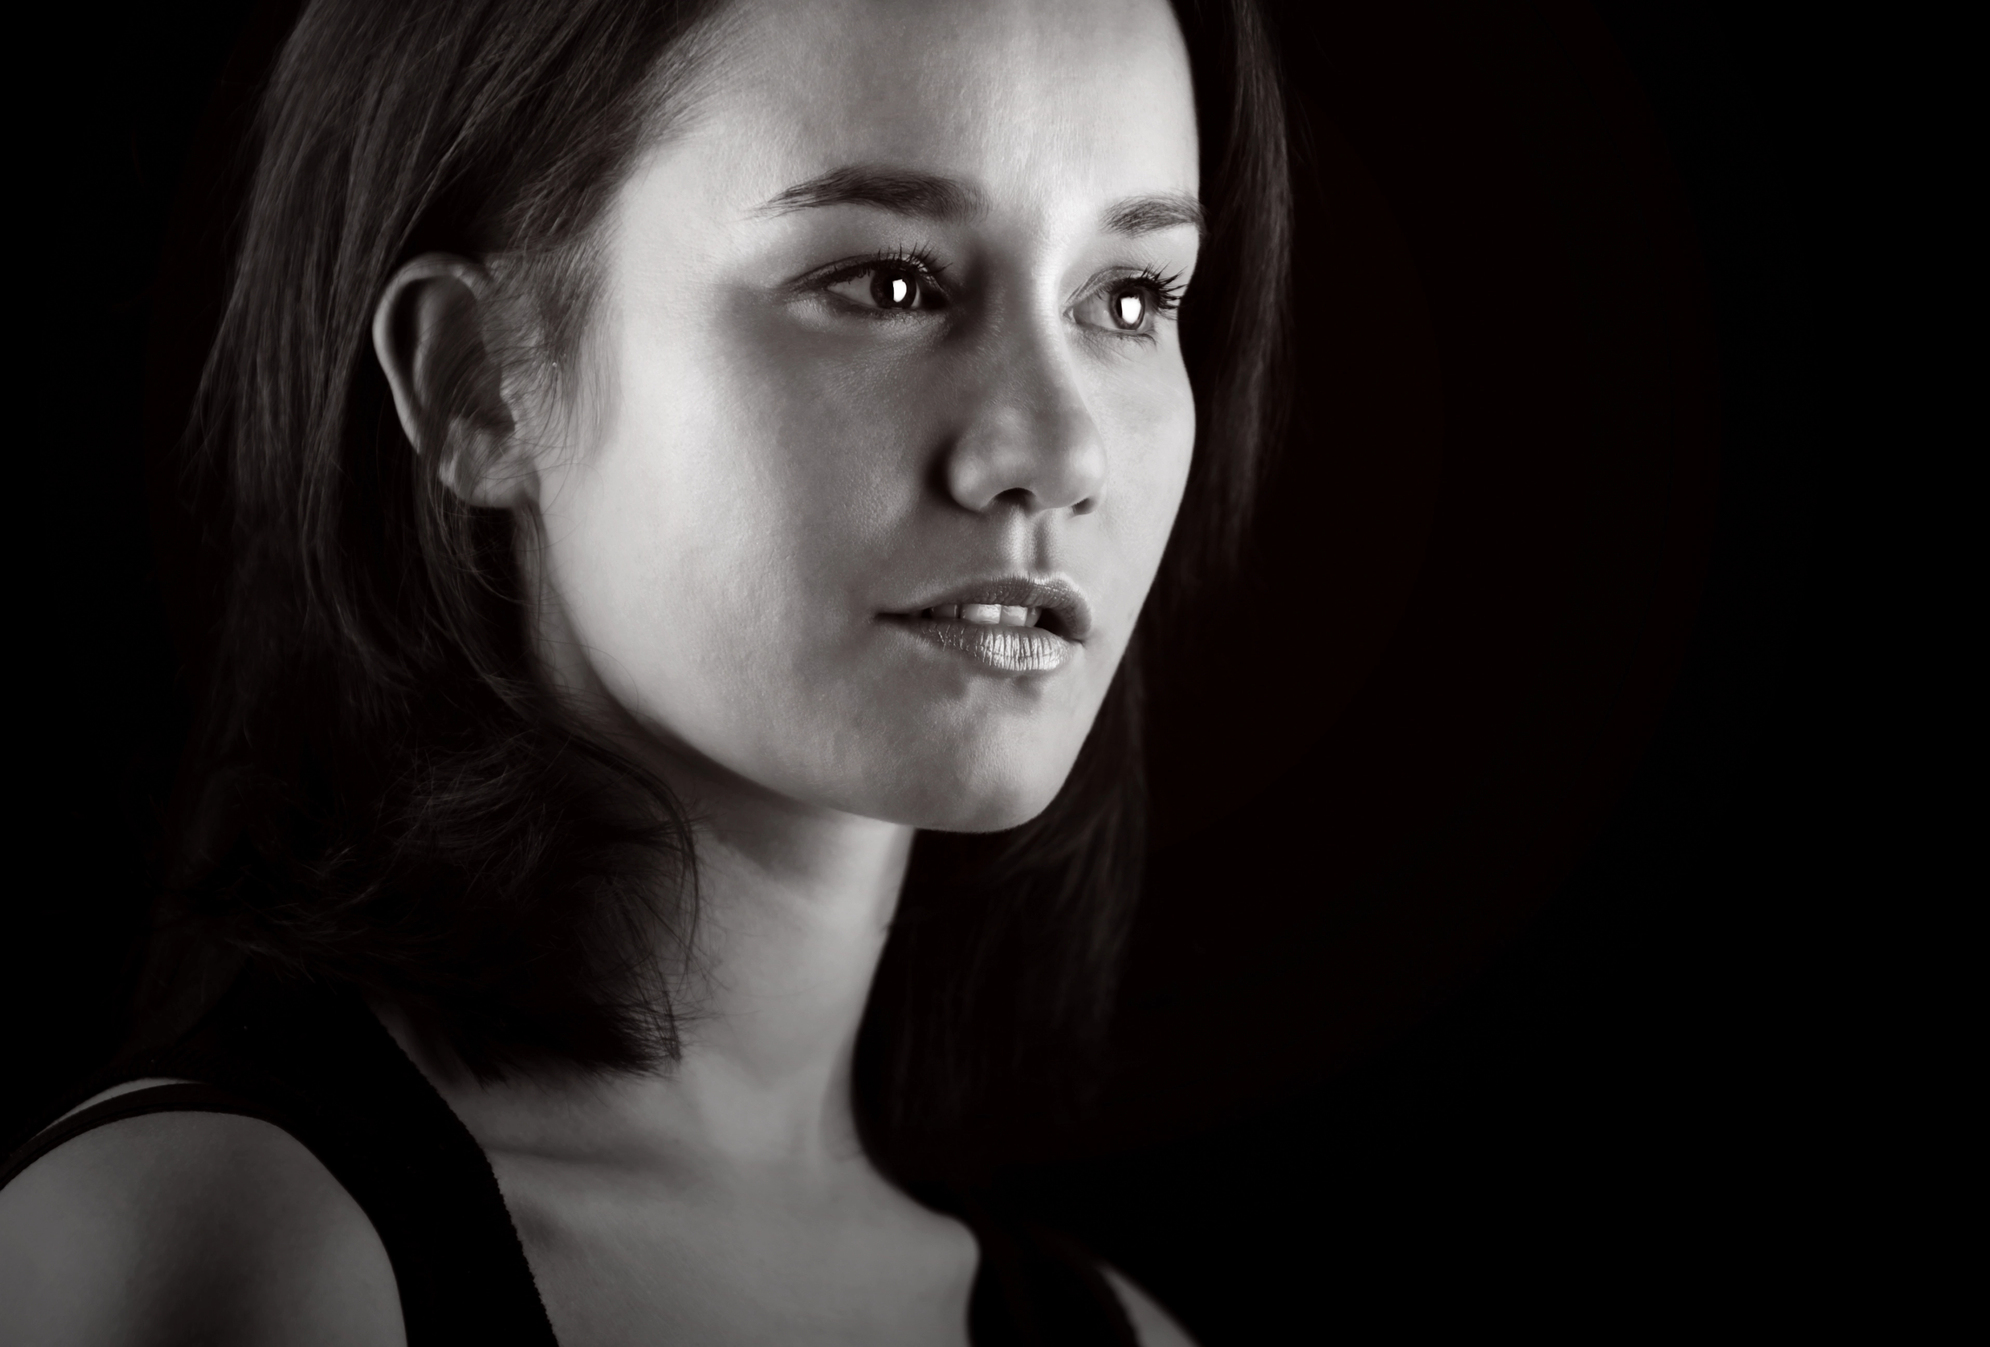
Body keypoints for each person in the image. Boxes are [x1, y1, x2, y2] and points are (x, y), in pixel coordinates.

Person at [0, 0, 1289, 1340]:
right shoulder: (207, 1260)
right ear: (479, 386)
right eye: (888, 285)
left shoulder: (1115, 1335)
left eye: (1130, 298)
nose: (1058, 454)